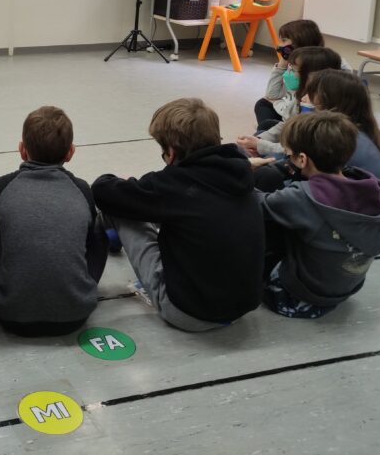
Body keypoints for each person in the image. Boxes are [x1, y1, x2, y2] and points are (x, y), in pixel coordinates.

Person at [91, 98, 264, 332]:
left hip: (188, 313)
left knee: (122, 209)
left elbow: (103, 191)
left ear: (171, 152)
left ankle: (91, 264)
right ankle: (114, 236)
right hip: (241, 308)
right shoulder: (239, 172)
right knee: (158, 210)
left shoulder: (175, 184)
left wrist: (119, 181)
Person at [0, 106, 107, 336]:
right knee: (98, 231)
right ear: (70, 152)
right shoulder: (82, 189)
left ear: (22, 150)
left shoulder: (2, 187)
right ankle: (76, 285)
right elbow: (87, 243)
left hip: (10, 313)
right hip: (75, 313)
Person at [258, 111, 380, 319]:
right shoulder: (372, 189)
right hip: (343, 290)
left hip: (293, 298)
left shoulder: (302, 198)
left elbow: (257, 202)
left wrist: (244, 168)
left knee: (262, 206)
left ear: (302, 159)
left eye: (289, 155)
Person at [294, 69, 380, 241]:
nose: (304, 98)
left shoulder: (340, 138)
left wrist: (307, 114)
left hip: (360, 229)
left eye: (311, 95)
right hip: (369, 221)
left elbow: (295, 156)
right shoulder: (357, 132)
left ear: (330, 102)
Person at [238, 46, 343, 162]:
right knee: (262, 131)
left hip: (304, 156)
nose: (288, 74)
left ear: (312, 75)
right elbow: (287, 124)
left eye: (293, 70)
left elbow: (299, 149)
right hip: (294, 145)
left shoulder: (324, 111)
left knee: (272, 159)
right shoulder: (303, 94)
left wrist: (261, 145)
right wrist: (258, 140)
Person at [253, 20, 350, 132]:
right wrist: (283, 62)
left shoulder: (324, 67)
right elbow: (272, 94)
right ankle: (268, 134)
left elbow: (298, 110)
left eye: (283, 40)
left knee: (266, 126)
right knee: (263, 105)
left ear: (299, 42)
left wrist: (276, 103)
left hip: (305, 120)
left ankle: (269, 135)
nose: (279, 45)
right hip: (291, 112)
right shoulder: (296, 61)